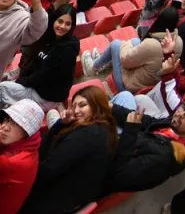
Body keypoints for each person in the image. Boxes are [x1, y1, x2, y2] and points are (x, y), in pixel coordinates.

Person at [19, 85, 118, 214]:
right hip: (76, 197)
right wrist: (62, 123)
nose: (76, 111)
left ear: (96, 104)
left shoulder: (88, 133)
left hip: (54, 200)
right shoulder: (104, 128)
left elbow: (48, 170)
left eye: (82, 105)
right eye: (74, 106)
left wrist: (22, 177)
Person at [102, 91, 185, 194]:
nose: (180, 114)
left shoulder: (163, 158)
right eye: (183, 106)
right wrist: (111, 108)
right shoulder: (179, 128)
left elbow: (118, 176)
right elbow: (148, 121)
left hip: (109, 168)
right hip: (128, 142)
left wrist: (130, 130)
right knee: (125, 96)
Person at [0, 4, 80, 112]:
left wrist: (21, 82)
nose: (62, 26)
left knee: (1, 89)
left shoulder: (68, 50)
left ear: (72, 26)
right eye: (60, 21)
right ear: (54, 20)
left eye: (68, 24)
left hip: (46, 97)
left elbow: (44, 75)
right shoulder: (50, 36)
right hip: (37, 85)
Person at [0, 97, 44, 214]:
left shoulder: (11, 162)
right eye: (6, 120)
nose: (5, 127)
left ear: (27, 131)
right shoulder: (29, 146)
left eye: (15, 123)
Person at [82, 9, 182, 93]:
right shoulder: (179, 42)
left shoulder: (152, 45)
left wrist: (126, 44)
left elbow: (125, 61)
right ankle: (103, 62)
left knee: (116, 44)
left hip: (128, 86)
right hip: (147, 81)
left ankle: (92, 68)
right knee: (136, 41)